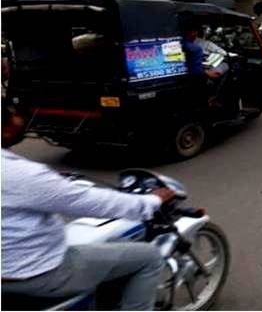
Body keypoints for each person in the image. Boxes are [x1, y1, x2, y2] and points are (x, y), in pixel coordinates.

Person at [1, 105, 175, 310]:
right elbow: (90, 202)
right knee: (149, 257)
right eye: (13, 116)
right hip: (33, 273)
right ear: (6, 129)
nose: (19, 119)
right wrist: (151, 201)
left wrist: (51, 183)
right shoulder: (21, 174)